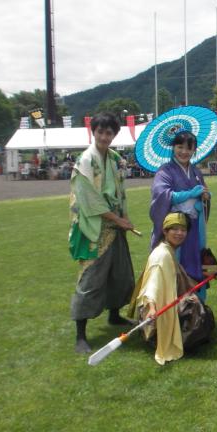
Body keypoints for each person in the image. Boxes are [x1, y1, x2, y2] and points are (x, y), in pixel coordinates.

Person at [69, 112, 135, 353]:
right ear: (93, 132)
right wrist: (118, 219)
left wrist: (124, 217)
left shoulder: (115, 158)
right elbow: (89, 200)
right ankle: (80, 334)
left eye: (109, 133)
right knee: (91, 279)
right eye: (100, 132)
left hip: (115, 224)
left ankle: (114, 315)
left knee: (120, 273)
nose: (104, 137)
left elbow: (120, 192)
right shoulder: (85, 160)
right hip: (94, 227)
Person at [128, 213, 215, 365]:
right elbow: (152, 286)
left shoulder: (168, 250)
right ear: (165, 231)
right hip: (153, 314)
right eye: (174, 229)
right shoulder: (162, 255)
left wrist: (208, 274)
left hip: (161, 307)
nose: (179, 233)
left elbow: (180, 279)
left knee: (197, 304)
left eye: (183, 230)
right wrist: (152, 308)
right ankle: (165, 338)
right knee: (196, 309)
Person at [150, 130, 211, 301]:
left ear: (194, 150)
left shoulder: (196, 172)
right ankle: (174, 305)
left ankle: (196, 306)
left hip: (194, 227)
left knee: (195, 261)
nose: (184, 152)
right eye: (180, 147)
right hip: (175, 227)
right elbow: (162, 195)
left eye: (189, 148)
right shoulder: (165, 171)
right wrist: (190, 193)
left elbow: (203, 193)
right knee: (175, 263)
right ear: (173, 147)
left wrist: (204, 197)